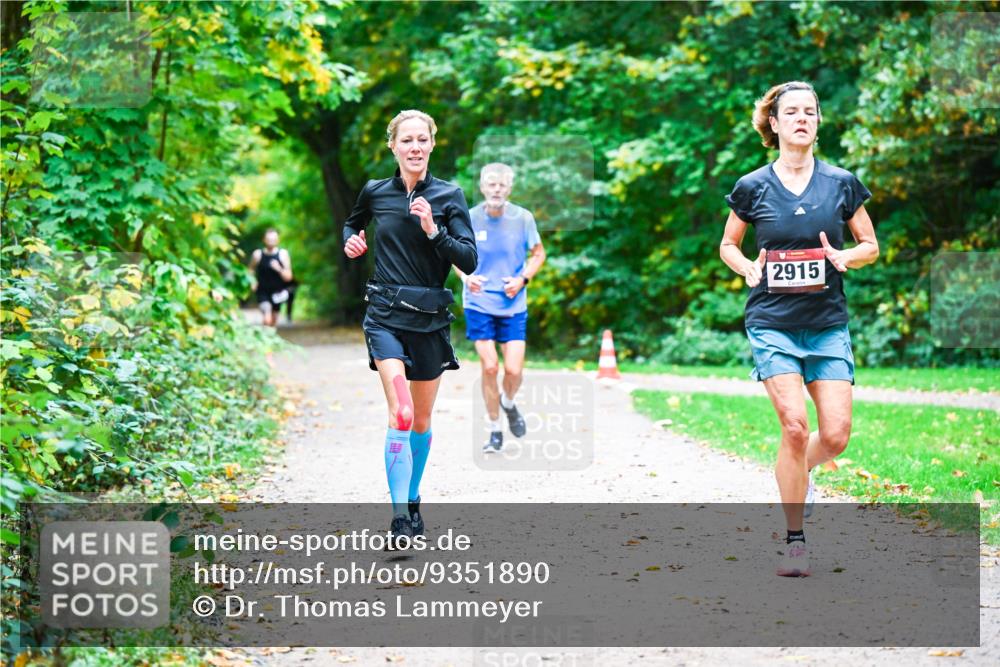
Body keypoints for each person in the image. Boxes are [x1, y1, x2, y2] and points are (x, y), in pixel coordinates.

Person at [719, 81, 879, 577]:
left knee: (835, 436)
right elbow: (728, 245)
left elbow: (871, 245)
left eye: (810, 111)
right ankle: (794, 541)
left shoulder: (841, 183)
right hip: (772, 323)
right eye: (791, 112)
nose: (802, 119)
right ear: (774, 123)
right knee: (794, 426)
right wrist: (746, 266)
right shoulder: (753, 186)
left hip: (826, 324)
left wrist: (846, 256)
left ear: (818, 122)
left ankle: (802, 471)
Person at [343, 109, 477, 542]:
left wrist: (434, 230)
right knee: (400, 412)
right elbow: (353, 222)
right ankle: (400, 517)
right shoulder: (375, 192)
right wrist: (351, 241)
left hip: (430, 321)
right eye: (407, 140)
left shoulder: (450, 195)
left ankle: (413, 497)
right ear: (393, 146)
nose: (415, 147)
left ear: (432, 144)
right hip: (385, 316)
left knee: (420, 420)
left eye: (422, 139)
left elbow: (470, 259)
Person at [454, 163, 545, 452]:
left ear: (509, 188)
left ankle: (508, 401)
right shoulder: (469, 218)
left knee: (514, 370)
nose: (496, 190)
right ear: (482, 187)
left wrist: (522, 279)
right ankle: (495, 430)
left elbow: (538, 254)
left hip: (513, 304)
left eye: (502, 185)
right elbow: (455, 255)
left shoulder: (523, 218)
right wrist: (466, 278)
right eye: (491, 184)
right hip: (479, 303)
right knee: (491, 367)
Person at [249, 229, 293, 328]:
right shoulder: (257, 254)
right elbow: (250, 270)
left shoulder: (283, 254)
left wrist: (279, 269)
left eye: (273, 239)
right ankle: (266, 331)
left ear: (278, 240)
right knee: (267, 316)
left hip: (278, 292)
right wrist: (252, 282)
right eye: (269, 239)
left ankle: (269, 334)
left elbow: (289, 277)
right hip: (262, 291)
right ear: (264, 240)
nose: (271, 242)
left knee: (273, 320)